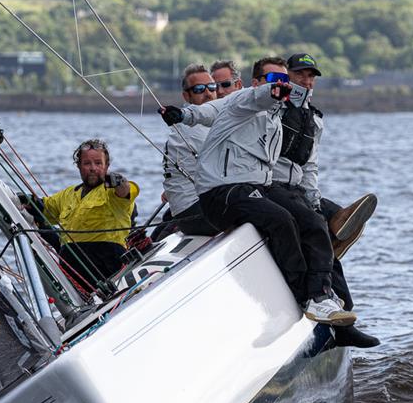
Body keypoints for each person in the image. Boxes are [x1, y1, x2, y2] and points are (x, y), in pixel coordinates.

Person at [159, 57, 355, 326]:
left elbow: (304, 163)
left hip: (254, 187)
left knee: (311, 220)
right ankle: (305, 296)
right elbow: (211, 110)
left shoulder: (275, 117)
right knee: (282, 220)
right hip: (222, 192)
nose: (280, 86)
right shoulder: (245, 101)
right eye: (274, 80)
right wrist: (184, 115)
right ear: (257, 83)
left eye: (284, 81)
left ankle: (325, 295)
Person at [283, 53, 379, 347]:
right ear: (286, 76)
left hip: (298, 186)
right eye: (301, 74)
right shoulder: (271, 110)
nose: (307, 81)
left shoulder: (314, 118)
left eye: (311, 76)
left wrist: (313, 198)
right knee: (317, 231)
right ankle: (335, 306)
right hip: (275, 186)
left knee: (339, 217)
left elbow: (310, 166)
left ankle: (340, 304)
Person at [39, 139, 139, 292]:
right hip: (73, 273)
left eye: (98, 163)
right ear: (78, 166)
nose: (93, 168)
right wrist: (24, 200)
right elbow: (43, 208)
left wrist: (119, 182)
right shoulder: (68, 194)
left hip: (107, 269)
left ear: (107, 166)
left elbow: (127, 191)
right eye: (87, 163)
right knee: (39, 225)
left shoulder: (112, 191)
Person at [156, 64, 220, 240]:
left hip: (188, 208)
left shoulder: (202, 122)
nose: (208, 93)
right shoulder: (194, 127)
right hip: (195, 212)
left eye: (212, 87)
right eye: (199, 89)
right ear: (186, 96)